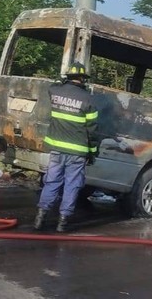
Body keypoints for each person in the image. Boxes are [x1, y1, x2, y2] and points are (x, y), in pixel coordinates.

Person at [34, 61, 99, 232]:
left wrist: (62, 81)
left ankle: (40, 218)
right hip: (77, 151)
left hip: (56, 148)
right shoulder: (89, 100)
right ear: (82, 79)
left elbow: (52, 85)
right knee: (72, 184)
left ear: (67, 77)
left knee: (52, 181)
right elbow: (92, 130)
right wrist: (93, 152)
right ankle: (62, 222)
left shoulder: (55, 91)